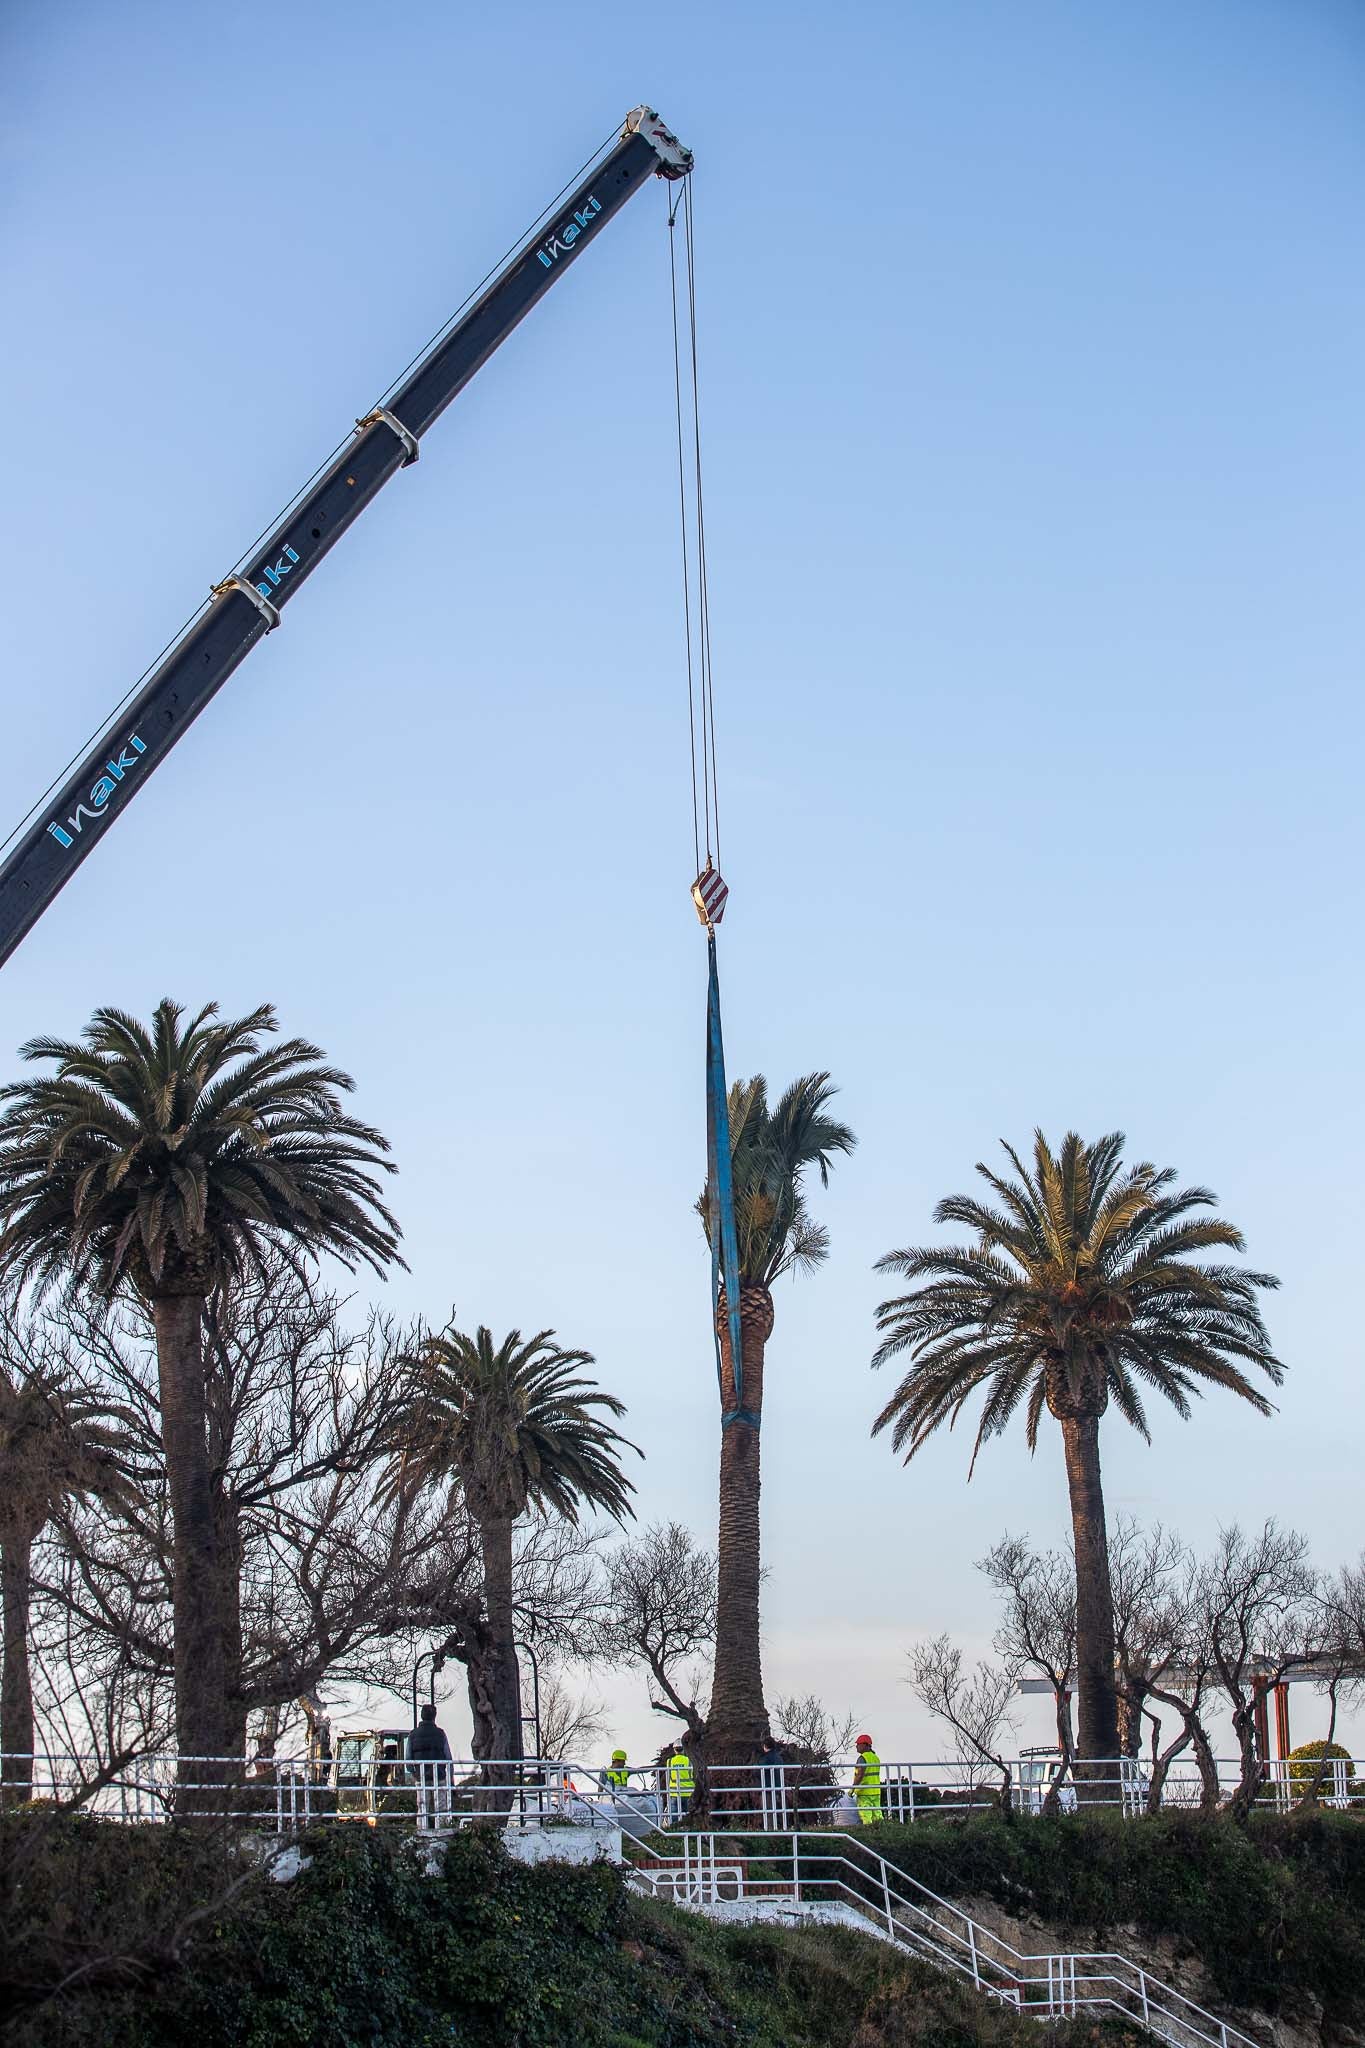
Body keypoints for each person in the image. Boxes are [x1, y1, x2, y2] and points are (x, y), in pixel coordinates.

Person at [407, 1702, 453, 1830]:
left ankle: (422, 1829)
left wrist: (415, 1773)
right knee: (441, 1806)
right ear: (434, 1716)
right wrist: (450, 1776)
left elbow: (408, 1760)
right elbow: (448, 1757)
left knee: (422, 1806)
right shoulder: (440, 1733)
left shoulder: (412, 1735)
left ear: (421, 1716)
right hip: (439, 1775)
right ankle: (442, 1828)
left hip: (421, 1777)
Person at [851, 1733, 883, 1825]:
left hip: (864, 1791)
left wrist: (852, 1789)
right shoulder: (876, 1758)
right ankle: (882, 1831)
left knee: (866, 1815)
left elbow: (859, 1775)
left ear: (865, 1745)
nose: (856, 1746)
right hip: (876, 1791)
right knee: (877, 1813)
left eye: (858, 1744)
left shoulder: (862, 1758)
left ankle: (868, 1832)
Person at [666, 1742, 694, 1823]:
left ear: (674, 1750)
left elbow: (668, 1776)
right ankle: (690, 1833)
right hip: (688, 1793)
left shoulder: (669, 1761)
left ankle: (674, 1833)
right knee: (689, 1819)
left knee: (674, 1820)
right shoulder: (689, 1760)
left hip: (674, 1794)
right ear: (684, 1749)